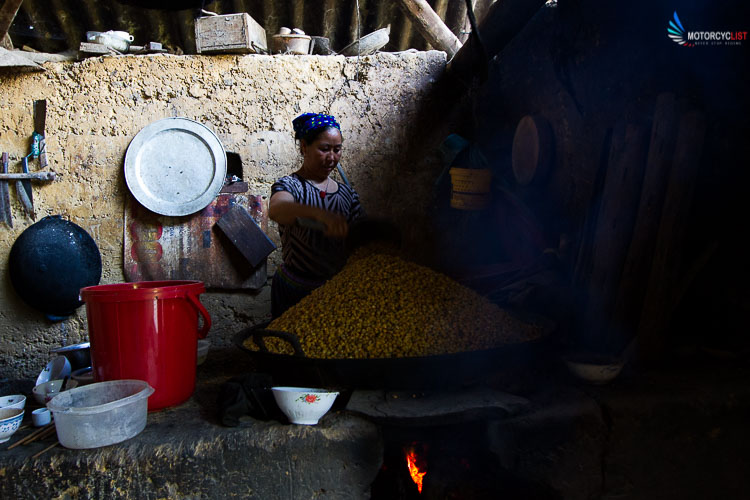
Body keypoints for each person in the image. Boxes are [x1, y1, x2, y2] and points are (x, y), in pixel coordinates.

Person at [268, 112, 365, 318]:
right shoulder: (290, 186)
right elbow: (277, 209)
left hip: (335, 291)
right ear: (304, 147)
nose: (332, 157)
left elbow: (362, 239)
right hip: (295, 291)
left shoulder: (347, 194)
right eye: (324, 149)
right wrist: (320, 215)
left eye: (337, 150)